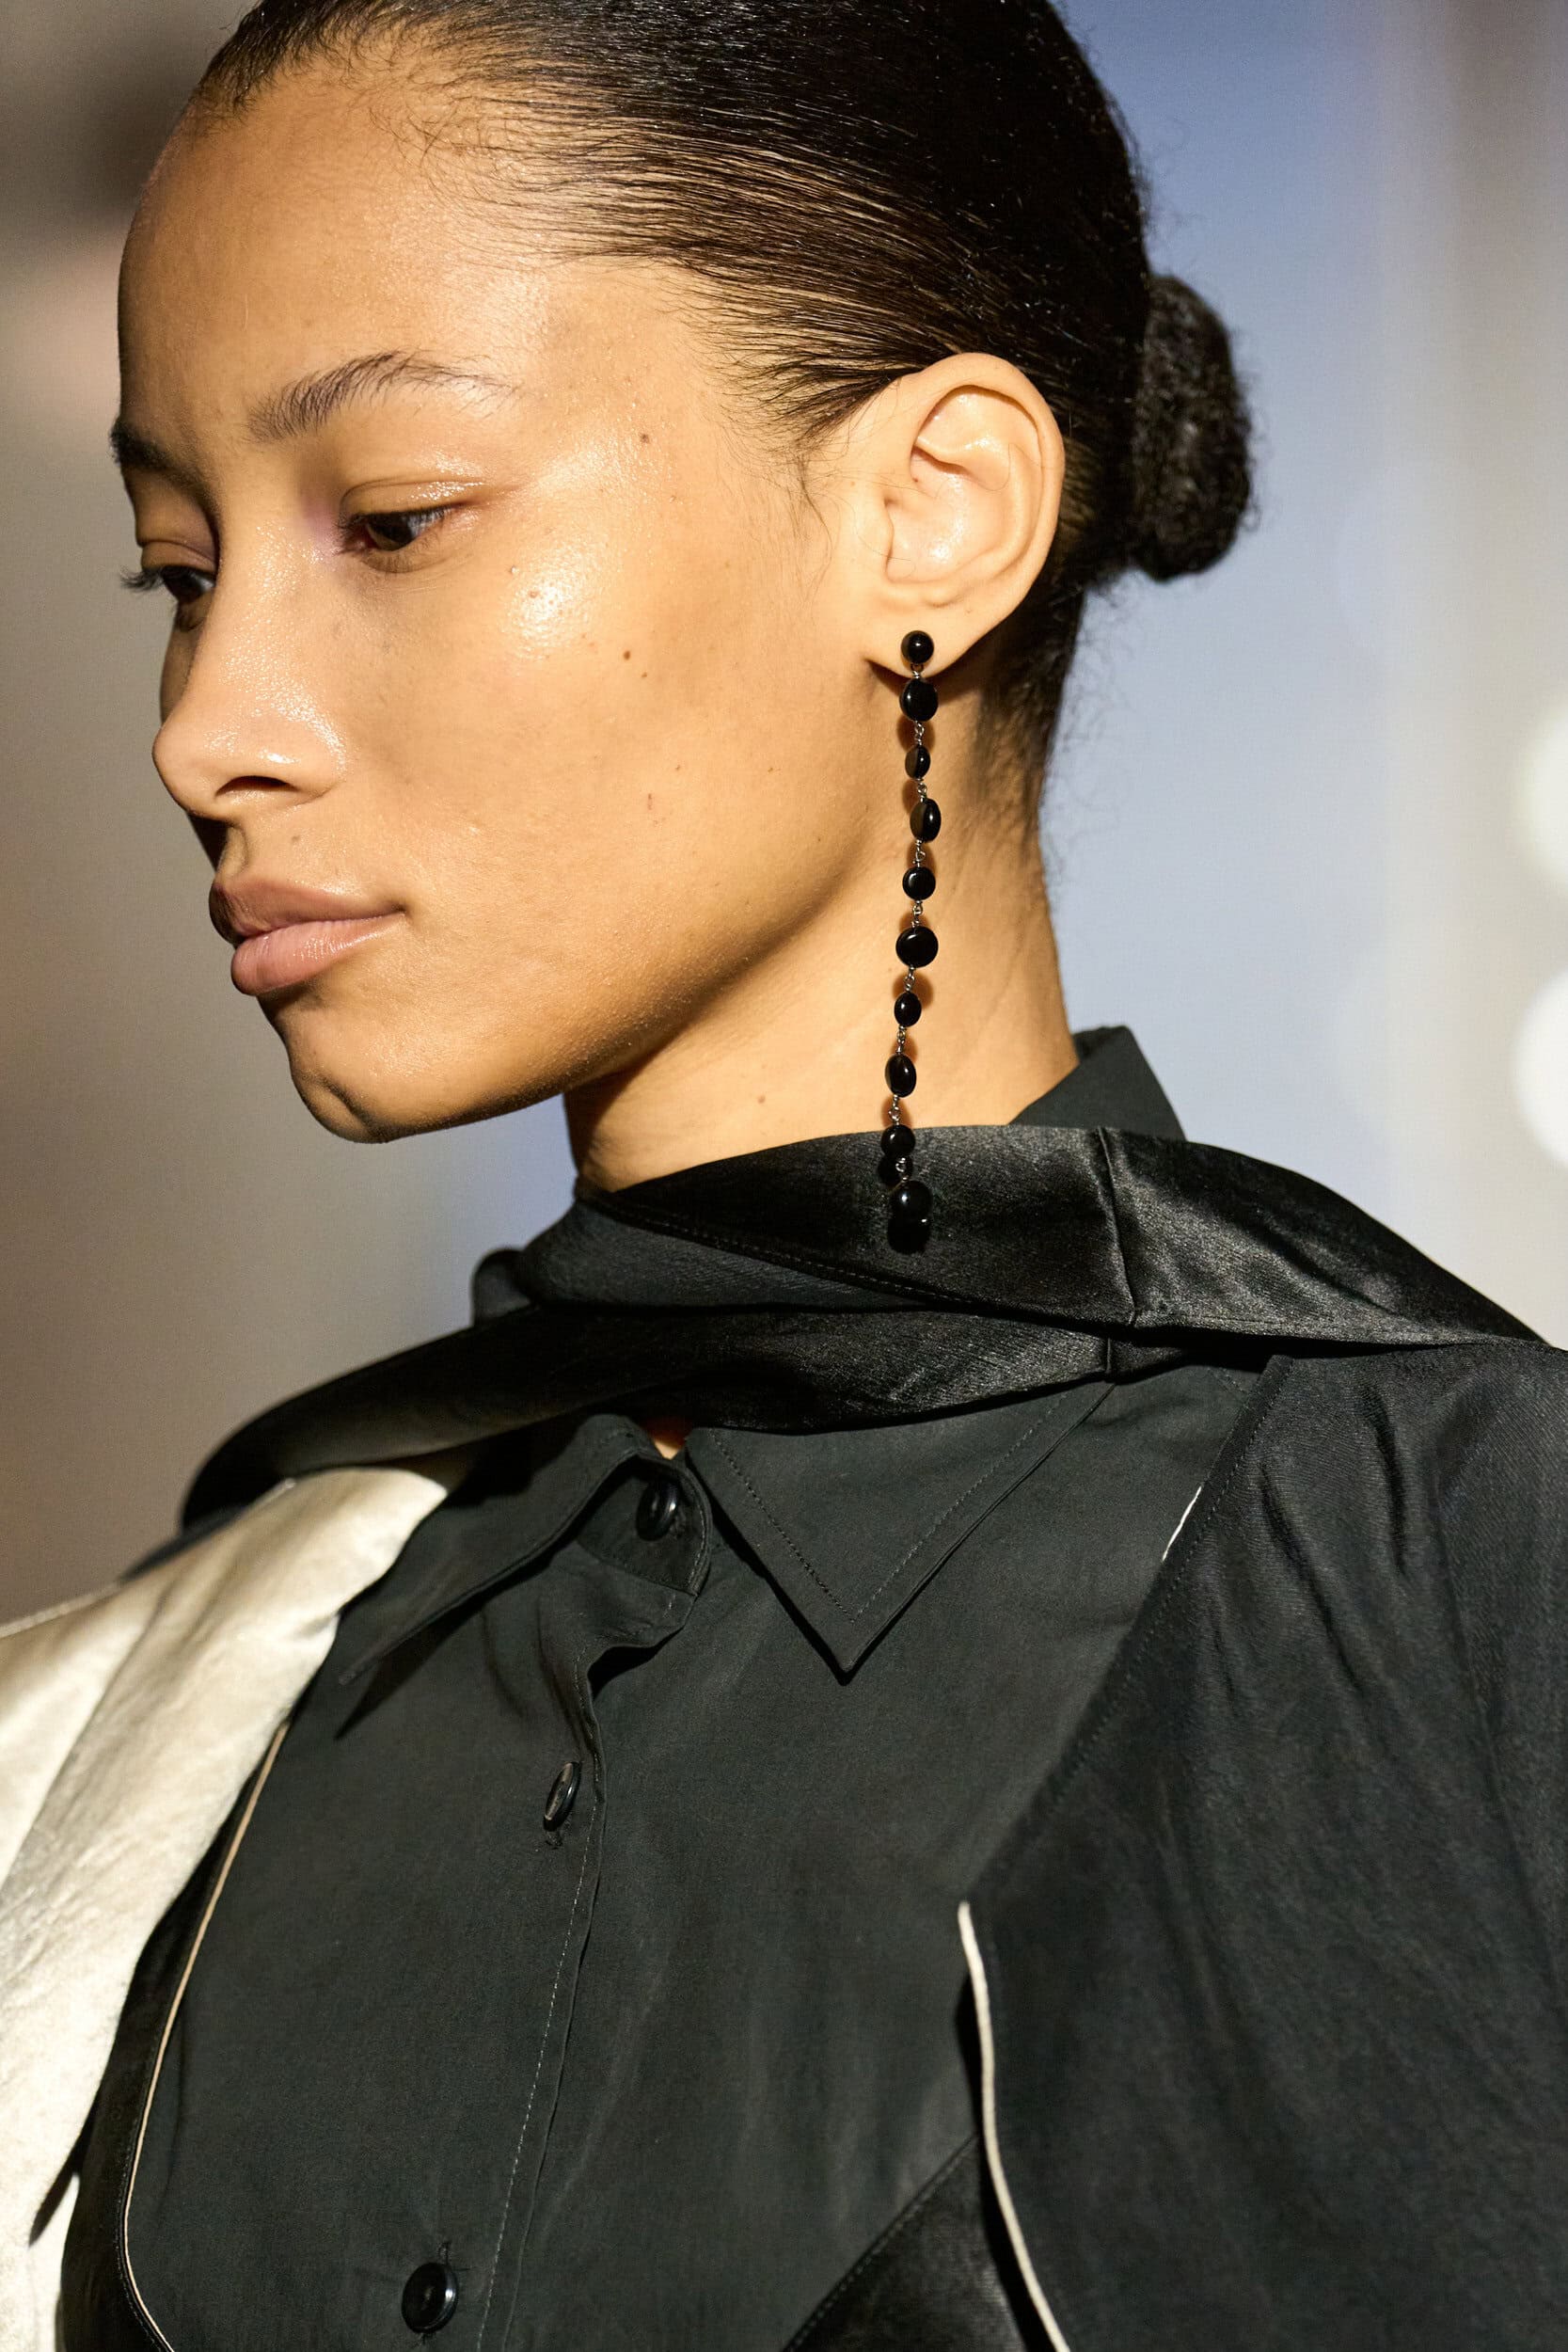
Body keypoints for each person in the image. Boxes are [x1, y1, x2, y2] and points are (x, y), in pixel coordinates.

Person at [1, 2, 1563, 2347]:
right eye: (180, 570)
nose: (207, 726)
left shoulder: (1464, 1575)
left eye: (393, 520)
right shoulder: (145, 1704)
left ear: (931, 513)